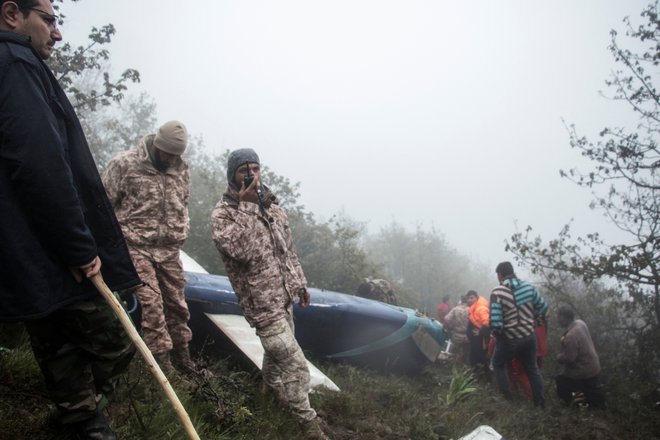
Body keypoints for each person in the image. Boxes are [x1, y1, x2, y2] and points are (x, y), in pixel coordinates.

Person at [0, 1, 140, 438]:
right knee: (113, 336)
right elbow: (40, 162)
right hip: (48, 245)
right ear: (11, 14)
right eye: (49, 18)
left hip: (28, 245)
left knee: (56, 333)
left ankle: (77, 418)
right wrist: (79, 246)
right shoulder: (16, 63)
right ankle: (77, 416)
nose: (57, 34)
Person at [211, 148, 331, 440]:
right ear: (233, 176)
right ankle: (310, 427)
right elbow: (242, 252)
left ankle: (268, 391)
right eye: (244, 170)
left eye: (255, 168)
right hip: (261, 305)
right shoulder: (224, 214)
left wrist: (299, 283)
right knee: (296, 366)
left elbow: (287, 250)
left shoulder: (274, 208)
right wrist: (248, 207)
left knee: (276, 357)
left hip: (283, 297)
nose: (251, 175)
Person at [102, 120, 198, 375]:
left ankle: (184, 359)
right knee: (151, 304)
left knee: (177, 306)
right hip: (135, 247)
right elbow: (103, 204)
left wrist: (182, 229)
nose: (170, 158)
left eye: (176, 154)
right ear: (156, 145)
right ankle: (162, 368)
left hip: (169, 251)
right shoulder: (125, 165)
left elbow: (183, 204)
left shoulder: (181, 170)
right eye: (167, 152)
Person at [489, 261, 547, 407]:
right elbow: (544, 308)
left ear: (500, 275)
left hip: (510, 339)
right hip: (529, 336)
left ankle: (508, 400)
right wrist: (534, 322)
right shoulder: (529, 288)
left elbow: (496, 322)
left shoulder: (498, 292)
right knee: (532, 369)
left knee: (498, 364)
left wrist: (501, 335)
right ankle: (540, 403)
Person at [555, 305, 605, 408]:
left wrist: (559, 357)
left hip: (583, 371)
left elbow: (570, 358)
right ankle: (592, 405)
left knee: (561, 381)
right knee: (593, 393)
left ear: (565, 318)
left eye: (559, 317)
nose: (558, 320)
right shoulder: (580, 323)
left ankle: (572, 406)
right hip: (594, 366)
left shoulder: (571, 336)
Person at [465, 290, 490, 374]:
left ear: (477, 298)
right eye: (468, 298)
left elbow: (487, 324)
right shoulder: (473, 309)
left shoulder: (481, 308)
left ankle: (485, 378)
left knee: (481, 359)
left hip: (480, 340)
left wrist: (480, 332)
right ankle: (477, 376)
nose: (469, 300)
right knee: (474, 358)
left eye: (472, 298)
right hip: (475, 340)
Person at [442, 296, 470, 363]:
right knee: (466, 353)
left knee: (455, 352)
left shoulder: (455, 309)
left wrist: (450, 327)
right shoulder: (471, 309)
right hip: (467, 336)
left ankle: (454, 367)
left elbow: (446, 319)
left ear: (461, 301)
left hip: (456, 335)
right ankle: (465, 368)